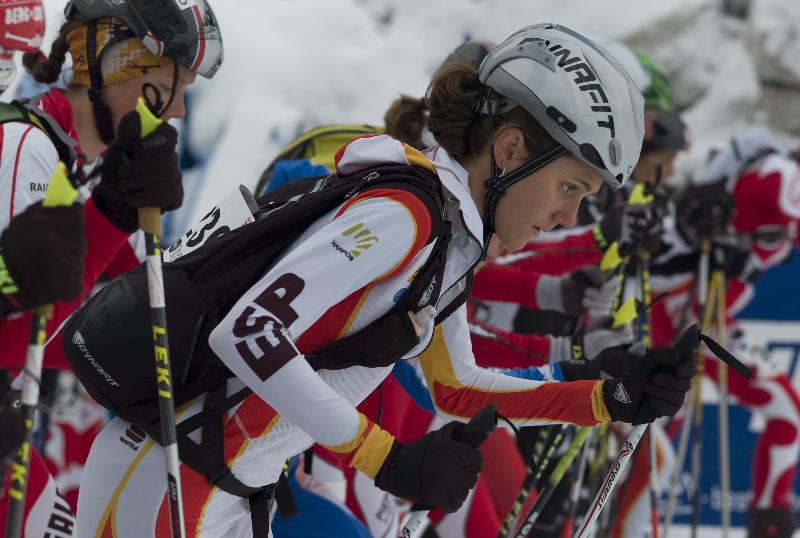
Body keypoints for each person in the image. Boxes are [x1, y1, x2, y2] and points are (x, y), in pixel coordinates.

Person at [75, 24, 696, 537]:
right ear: (508, 150)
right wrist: (387, 459)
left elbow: (455, 388)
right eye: (569, 189)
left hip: (227, 494)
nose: (568, 217)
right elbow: (250, 333)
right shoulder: (404, 217)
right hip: (164, 483)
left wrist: (603, 398)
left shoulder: (450, 244)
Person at [651, 126, 800, 537]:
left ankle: (771, 520)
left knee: (782, 410)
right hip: (684, 314)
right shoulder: (780, 173)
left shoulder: (773, 170)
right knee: (654, 424)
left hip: (711, 322)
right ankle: (620, 515)